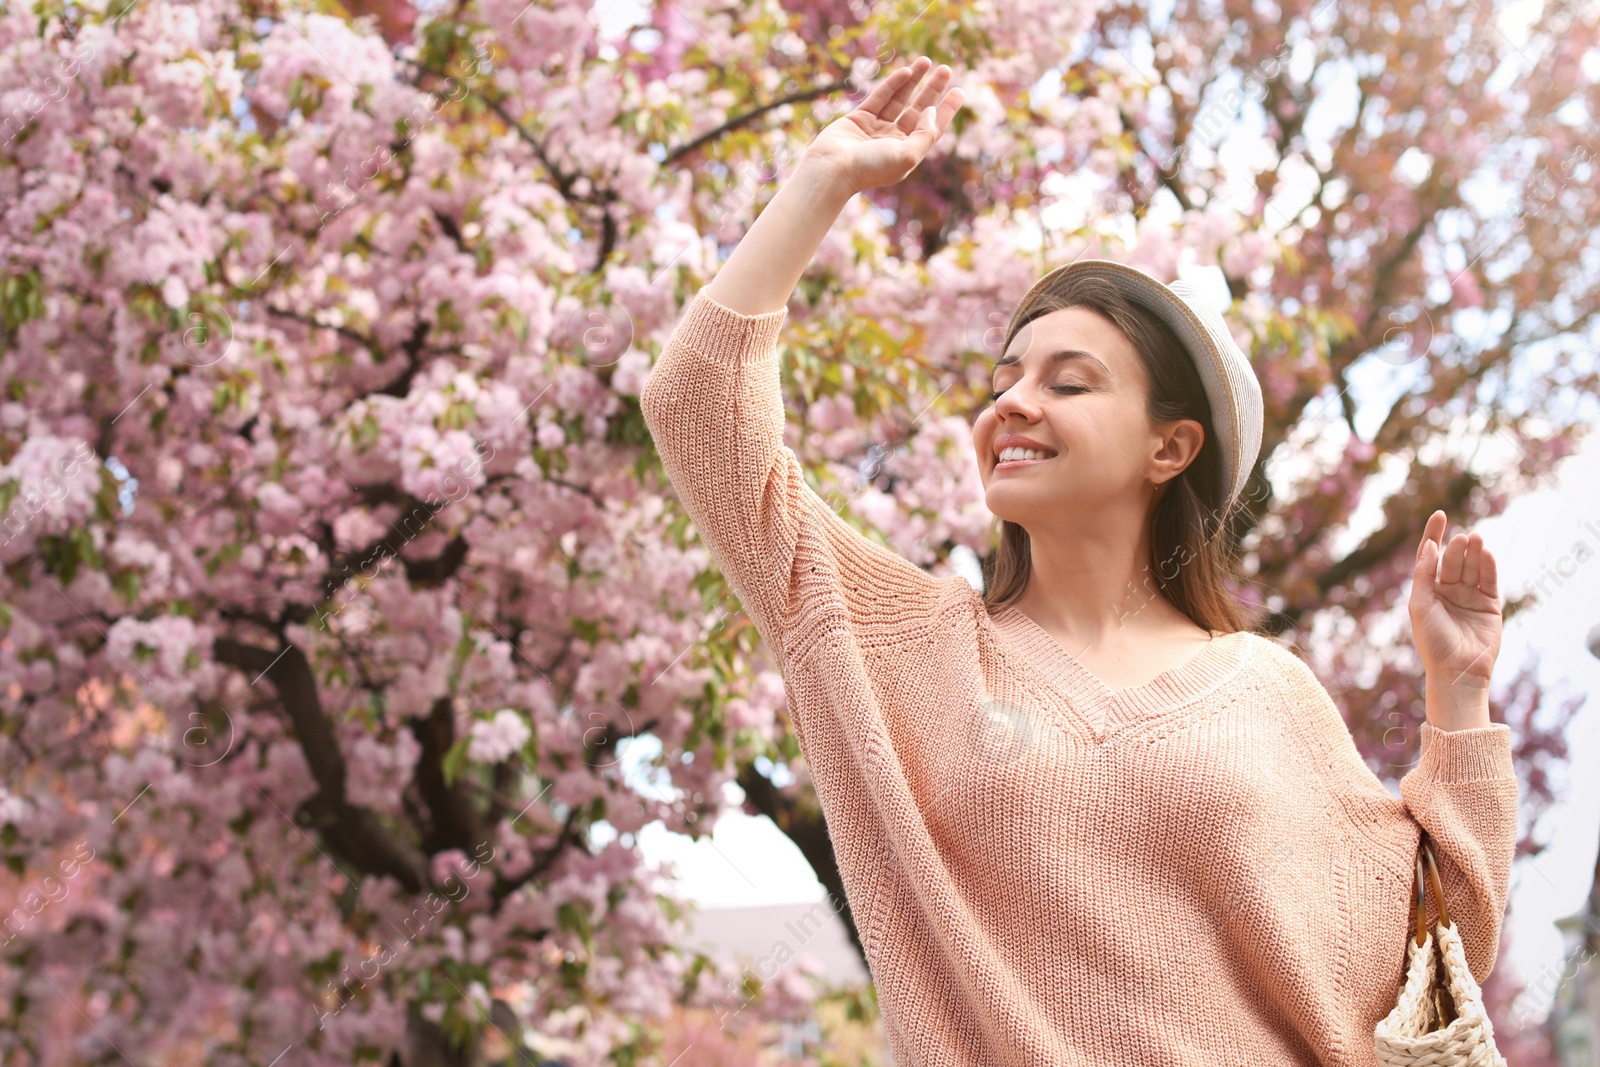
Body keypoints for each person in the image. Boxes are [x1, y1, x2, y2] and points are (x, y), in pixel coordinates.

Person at [639, 54, 1518, 1066]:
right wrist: (821, 180)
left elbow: (1432, 937)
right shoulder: (901, 640)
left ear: (1168, 446)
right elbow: (700, 410)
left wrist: (1456, 687)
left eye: (1069, 382)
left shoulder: (1268, 691)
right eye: (1004, 377)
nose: (1012, 403)